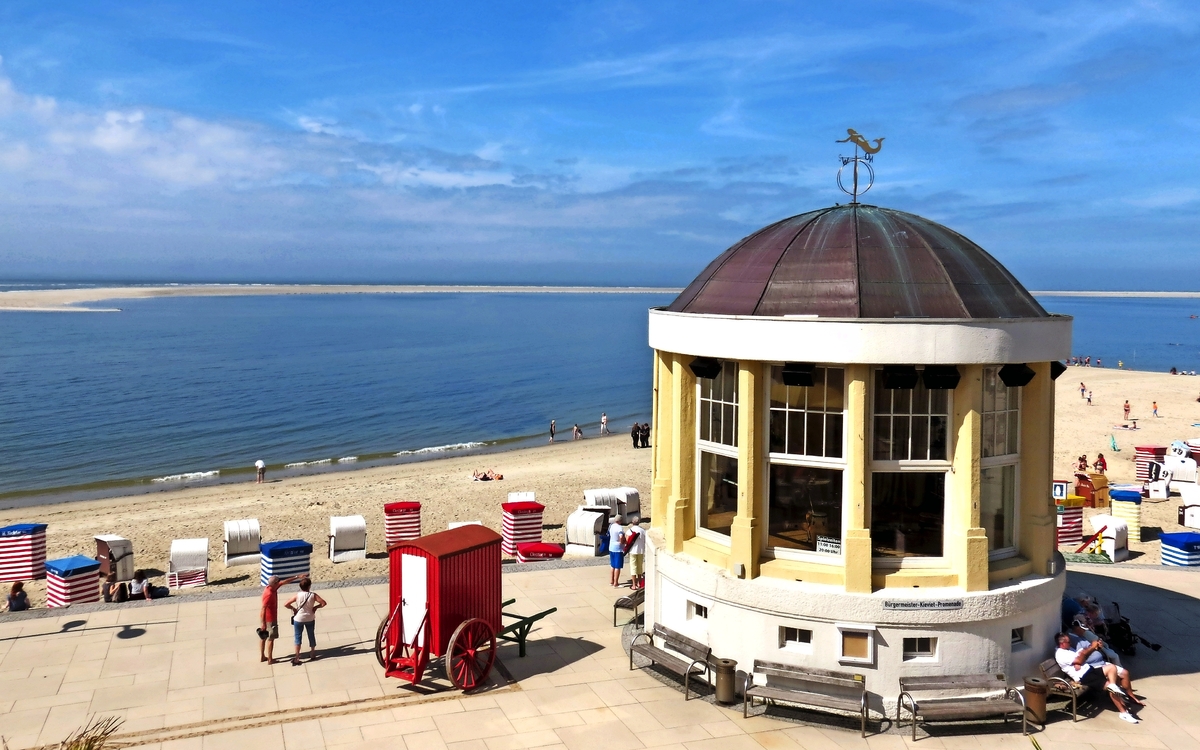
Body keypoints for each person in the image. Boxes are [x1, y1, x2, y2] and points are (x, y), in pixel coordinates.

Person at [1054, 632, 1139, 723]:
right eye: (1068, 642)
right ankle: (1124, 713)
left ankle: (1114, 686)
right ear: (1062, 644)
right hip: (1085, 677)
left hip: (1090, 670)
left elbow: (1080, 659)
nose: (1070, 643)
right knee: (1111, 688)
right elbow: (1079, 659)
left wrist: (1091, 650)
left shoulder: (1068, 649)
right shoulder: (1061, 654)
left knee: (1112, 668)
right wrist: (1085, 654)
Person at [259, 573, 302, 664]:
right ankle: (270, 659)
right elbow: (263, 608)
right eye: (278, 581)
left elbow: (284, 582)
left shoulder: (272, 587)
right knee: (271, 638)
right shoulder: (269, 594)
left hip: (267, 619)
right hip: (269, 619)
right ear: (274, 583)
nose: (280, 582)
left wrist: (297, 577)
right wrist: (263, 623)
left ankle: (262, 656)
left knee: (263, 637)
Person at [285, 577, 327, 665]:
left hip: (298, 619)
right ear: (309, 586)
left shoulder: (297, 595)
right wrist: (315, 607)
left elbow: (286, 604)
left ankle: (297, 657)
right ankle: (312, 652)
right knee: (311, 635)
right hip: (310, 617)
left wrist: (293, 609)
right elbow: (323, 603)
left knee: (297, 637)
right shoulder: (313, 595)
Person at [625, 514, 646, 589]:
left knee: (633, 567)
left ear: (632, 522)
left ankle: (634, 584)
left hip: (632, 550)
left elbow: (627, 541)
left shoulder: (629, 531)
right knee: (640, 567)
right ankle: (639, 583)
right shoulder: (643, 531)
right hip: (640, 550)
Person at [608, 515, 625, 587]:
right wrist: (622, 542)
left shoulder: (612, 526)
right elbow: (621, 537)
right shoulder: (619, 528)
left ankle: (611, 581)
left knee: (612, 566)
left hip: (611, 547)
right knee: (617, 567)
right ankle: (616, 583)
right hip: (618, 548)